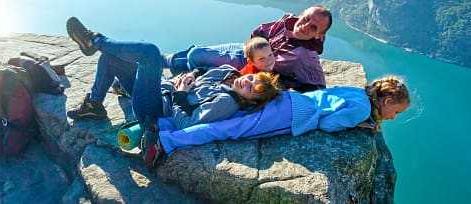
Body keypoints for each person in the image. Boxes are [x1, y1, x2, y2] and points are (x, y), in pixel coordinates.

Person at [63, 17, 283, 165]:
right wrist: (193, 75)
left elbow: (186, 123)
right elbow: (202, 68)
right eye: (252, 78)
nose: (248, 83)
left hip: (156, 108)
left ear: (250, 101)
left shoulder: (227, 102)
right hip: (156, 88)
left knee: (149, 52)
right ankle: (94, 104)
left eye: (252, 90)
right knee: (110, 58)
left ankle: (95, 40)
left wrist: (180, 94)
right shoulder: (228, 72)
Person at [141, 75, 410, 168]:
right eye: (395, 111)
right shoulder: (362, 111)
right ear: (386, 102)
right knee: (228, 129)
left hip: (288, 101)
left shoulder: (359, 92)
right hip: (291, 115)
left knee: (234, 118)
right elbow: (328, 124)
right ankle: (165, 142)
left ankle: (164, 125)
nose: (393, 117)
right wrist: (357, 124)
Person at [166, 5, 333, 92]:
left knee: (199, 56)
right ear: (302, 14)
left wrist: (284, 85)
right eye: (306, 18)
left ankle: (167, 67)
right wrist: (255, 45)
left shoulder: (305, 55)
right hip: (247, 49)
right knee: (197, 53)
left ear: (319, 35)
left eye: (313, 28)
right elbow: (260, 31)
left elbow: (317, 86)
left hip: (254, 65)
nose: (304, 26)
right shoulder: (288, 21)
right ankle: (166, 62)